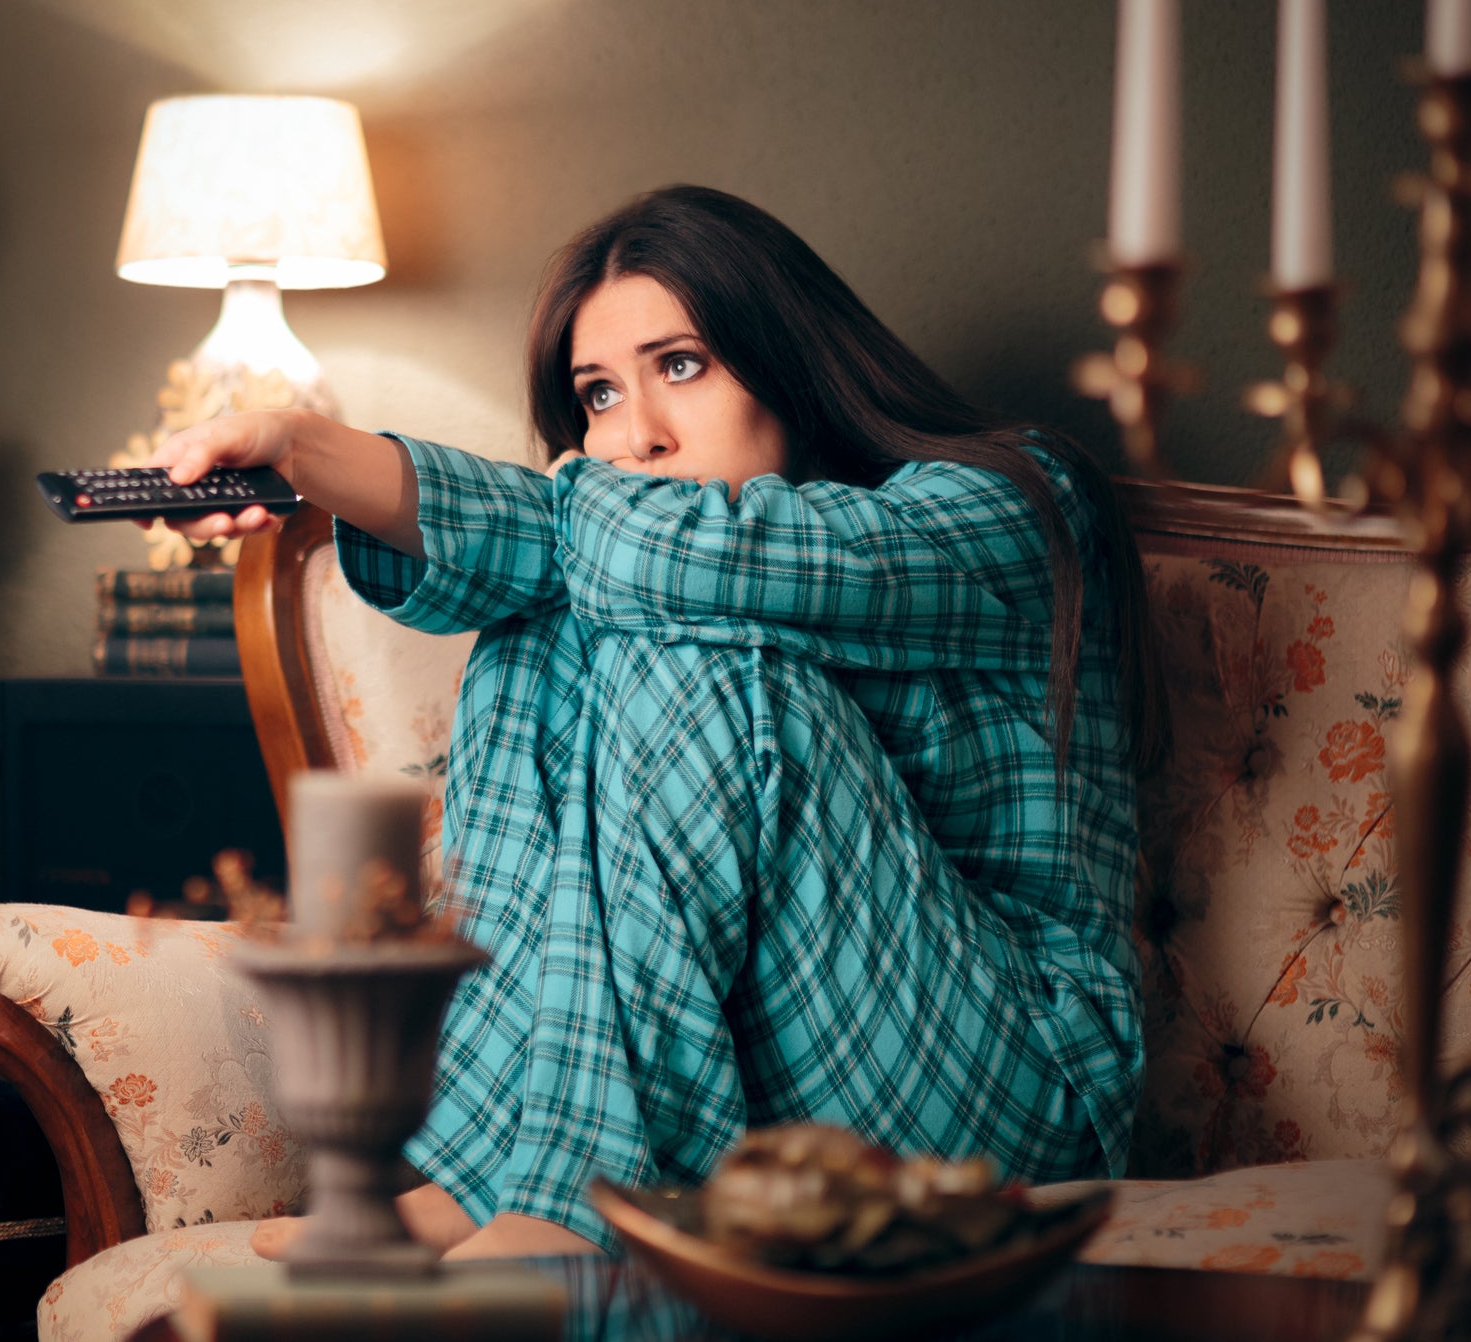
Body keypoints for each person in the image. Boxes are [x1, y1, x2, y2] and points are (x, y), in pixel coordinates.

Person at [147, 184, 1164, 1261]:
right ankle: (491, 1178)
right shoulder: (635, 530)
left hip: (1008, 1089)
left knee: (685, 638)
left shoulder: (1014, 500)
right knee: (543, 621)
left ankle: (570, 1205)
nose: (635, 437)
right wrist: (301, 453)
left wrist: (551, 494)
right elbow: (575, 547)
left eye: (680, 366)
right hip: (777, 1094)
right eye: (598, 394)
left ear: (790, 361)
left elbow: (689, 552)